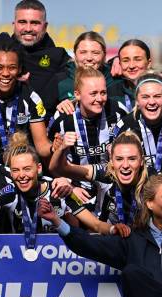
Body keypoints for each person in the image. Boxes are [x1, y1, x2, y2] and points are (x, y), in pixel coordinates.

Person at [0, 131, 74, 237]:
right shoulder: (8, 191)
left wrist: (71, 188)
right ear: (10, 172)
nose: (21, 175)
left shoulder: (57, 187)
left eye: (27, 169)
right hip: (17, 251)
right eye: (16, 170)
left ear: (39, 168)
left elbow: (80, 227)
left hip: (55, 252)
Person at [48, 67, 127, 210]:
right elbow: (52, 160)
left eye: (103, 93)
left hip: (112, 185)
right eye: (93, 93)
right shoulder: (62, 118)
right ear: (77, 94)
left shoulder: (118, 112)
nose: (99, 99)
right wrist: (69, 185)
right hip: (75, 187)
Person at [112, 72, 162, 173]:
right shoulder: (125, 126)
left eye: (157, 96)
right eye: (145, 97)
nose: (151, 102)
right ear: (137, 100)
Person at [107, 39, 162, 111]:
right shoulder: (113, 86)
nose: (131, 66)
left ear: (149, 63)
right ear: (119, 63)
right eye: (126, 60)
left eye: (138, 59)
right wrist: (113, 60)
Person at [55, 31, 115, 106]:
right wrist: (59, 107)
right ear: (75, 54)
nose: (89, 58)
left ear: (104, 55)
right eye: (83, 52)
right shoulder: (60, 80)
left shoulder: (114, 77)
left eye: (95, 53)